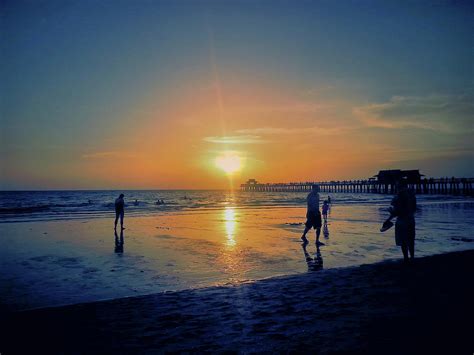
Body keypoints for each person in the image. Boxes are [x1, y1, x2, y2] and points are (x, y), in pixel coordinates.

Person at [383, 179, 417, 262]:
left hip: (402, 221)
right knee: (410, 240)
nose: (395, 186)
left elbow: (397, 211)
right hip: (411, 219)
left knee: (403, 241)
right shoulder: (412, 194)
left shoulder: (399, 195)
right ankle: (412, 257)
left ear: (400, 185)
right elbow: (414, 208)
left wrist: (389, 215)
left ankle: (406, 258)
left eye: (397, 185)